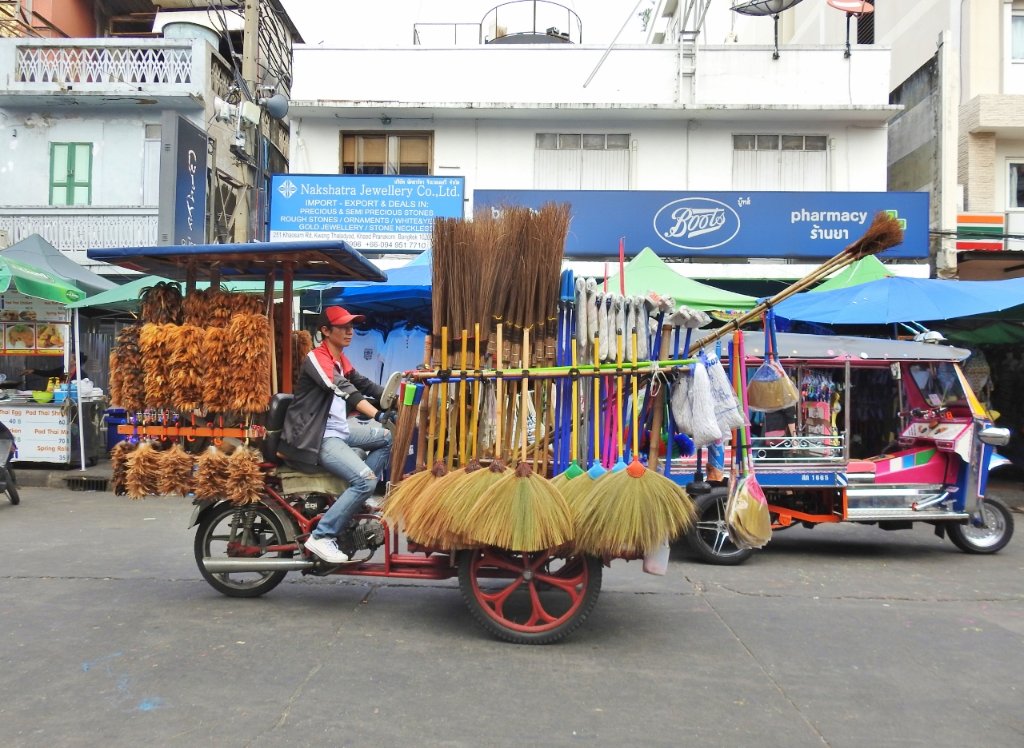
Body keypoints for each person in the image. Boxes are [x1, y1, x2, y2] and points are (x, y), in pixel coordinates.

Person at [279, 307, 395, 564]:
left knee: (385, 438)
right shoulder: (316, 358)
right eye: (343, 327)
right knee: (365, 481)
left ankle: (354, 501)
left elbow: (364, 384)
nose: (349, 331)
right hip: (316, 436)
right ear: (325, 331)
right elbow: (345, 390)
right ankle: (322, 536)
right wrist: (378, 414)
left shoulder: (341, 360)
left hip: (336, 430)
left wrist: (394, 401)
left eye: (351, 326)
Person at [24, 355, 88, 390]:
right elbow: (49, 373)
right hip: (59, 399)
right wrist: (33, 371)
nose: (65, 359)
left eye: (69, 358)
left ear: (75, 362)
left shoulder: (82, 375)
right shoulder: (62, 369)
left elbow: (84, 390)